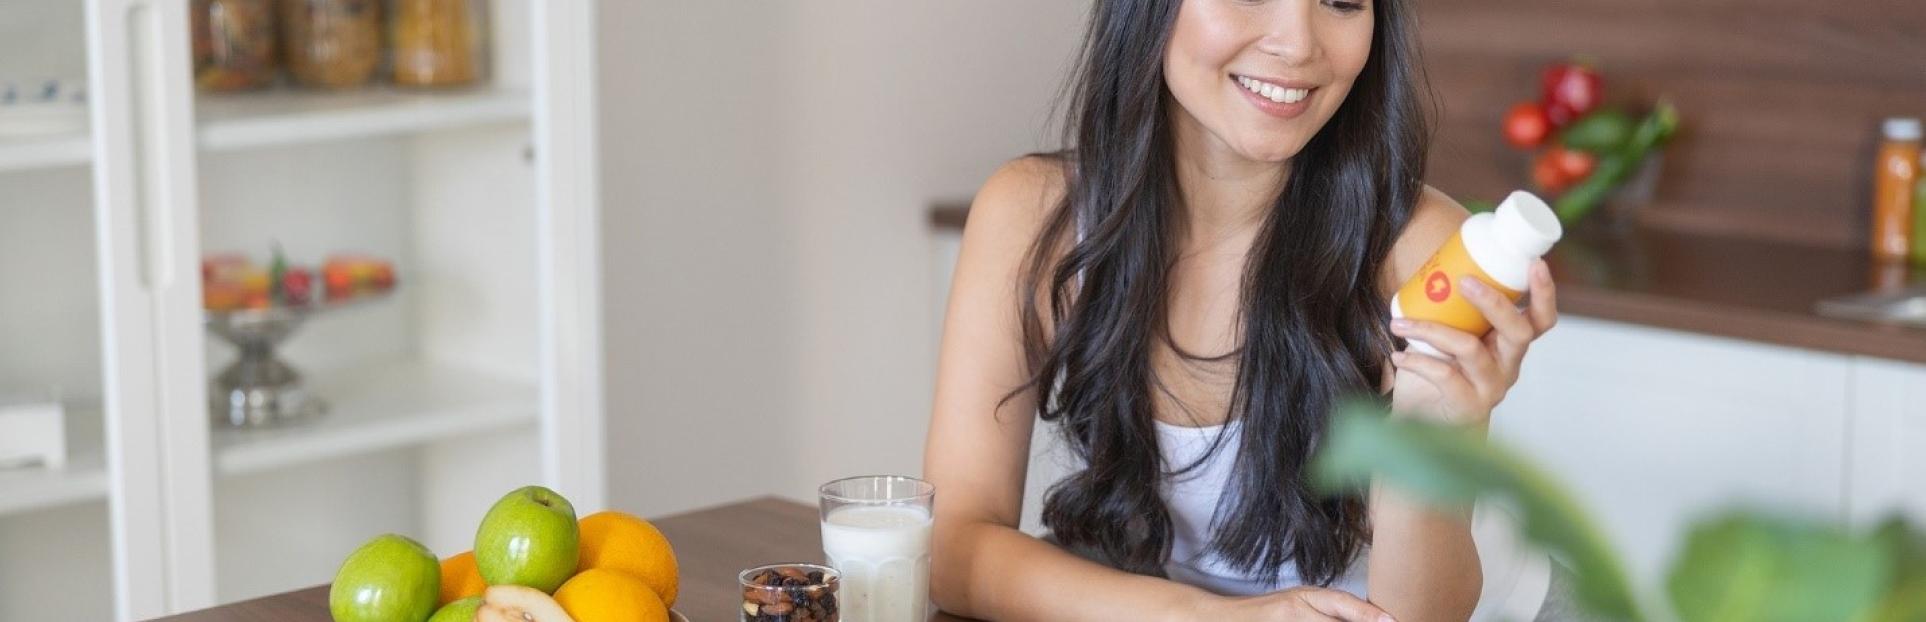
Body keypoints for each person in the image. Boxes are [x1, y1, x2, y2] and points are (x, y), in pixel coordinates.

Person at [923, 1, 1560, 620]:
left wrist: (1433, 424)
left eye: (1342, 1)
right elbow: (953, 549)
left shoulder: (1424, 256)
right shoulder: (1033, 218)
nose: (1298, 43)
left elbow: (1418, 617)